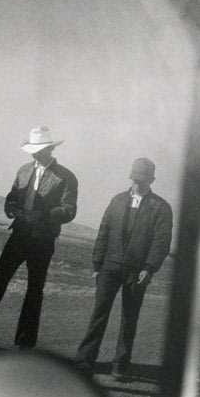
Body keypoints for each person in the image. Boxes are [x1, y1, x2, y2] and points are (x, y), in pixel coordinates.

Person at [0, 126, 78, 357]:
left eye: (39, 150)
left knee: (34, 290)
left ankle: (25, 347)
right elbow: (12, 196)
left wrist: (46, 215)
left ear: (50, 148)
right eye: (33, 150)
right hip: (18, 235)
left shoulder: (66, 177)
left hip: (43, 240)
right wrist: (10, 207)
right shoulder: (24, 170)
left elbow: (69, 210)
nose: (35, 154)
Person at [73, 158, 173, 381]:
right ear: (131, 177)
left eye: (142, 179)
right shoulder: (117, 201)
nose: (137, 183)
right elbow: (104, 232)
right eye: (135, 179)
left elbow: (161, 242)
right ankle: (84, 362)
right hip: (109, 267)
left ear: (151, 180)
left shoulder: (161, 208)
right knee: (98, 315)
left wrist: (149, 268)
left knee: (129, 318)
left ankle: (120, 365)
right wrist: (97, 264)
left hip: (138, 272)